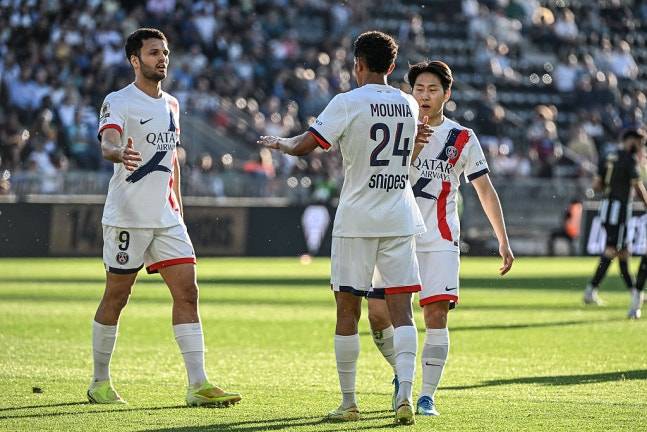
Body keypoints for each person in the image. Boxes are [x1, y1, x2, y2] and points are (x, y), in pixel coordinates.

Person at [258, 31, 432, 425]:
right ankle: (405, 394)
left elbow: (306, 145)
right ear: (392, 66)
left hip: (357, 219)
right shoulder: (409, 103)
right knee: (402, 312)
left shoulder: (348, 102)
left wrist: (281, 143)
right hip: (400, 216)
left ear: (358, 65)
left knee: (347, 309)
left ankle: (349, 402)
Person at [89, 28, 240, 407]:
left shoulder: (172, 104)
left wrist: (179, 211)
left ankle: (198, 384)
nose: (162, 59)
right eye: (154, 52)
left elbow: (172, 162)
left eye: (165, 53)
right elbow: (108, 141)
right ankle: (99, 381)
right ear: (135, 60)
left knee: (188, 292)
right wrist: (117, 152)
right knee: (117, 296)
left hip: (167, 217)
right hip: (128, 216)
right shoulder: (118, 100)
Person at [366, 60, 514, 417]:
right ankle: (402, 373)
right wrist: (413, 147)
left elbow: (484, 189)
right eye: (419, 89)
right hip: (395, 237)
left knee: (436, 315)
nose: (425, 95)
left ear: (446, 94)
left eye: (433, 89)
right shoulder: (395, 129)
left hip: (440, 240)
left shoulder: (462, 137)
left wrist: (503, 239)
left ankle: (426, 396)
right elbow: (379, 177)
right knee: (377, 315)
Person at [584, 129, 647, 314]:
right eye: (640, 143)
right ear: (631, 141)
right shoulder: (629, 159)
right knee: (612, 250)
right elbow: (637, 186)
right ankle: (591, 290)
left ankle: (634, 292)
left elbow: (596, 185)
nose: (641, 147)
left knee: (624, 252)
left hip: (607, 209)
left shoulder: (607, 156)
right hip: (619, 212)